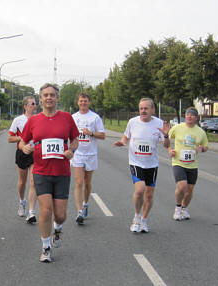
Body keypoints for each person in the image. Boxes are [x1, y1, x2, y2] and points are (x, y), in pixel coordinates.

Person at [19, 83, 79, 263]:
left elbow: (75, 140)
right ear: (41, 99)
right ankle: (46, 246)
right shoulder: (34, 120)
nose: (49, 98)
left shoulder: (67, 118)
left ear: (57, 98)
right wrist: (25, 148)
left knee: (60, 214)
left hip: (61, 172)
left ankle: (58, 228)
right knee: (46, 209)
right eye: (45, 95)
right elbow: (22, 142)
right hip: (41, 171)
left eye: (52, 95)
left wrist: (72, 151)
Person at [113, 98, 170, 233]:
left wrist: (166, 136)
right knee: (140, 190)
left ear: (152, 110)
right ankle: (136, 217)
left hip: (151, 163)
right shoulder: (133, 122)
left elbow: (166, 145)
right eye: (141, 109)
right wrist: (122, 142)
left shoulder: (159, 123)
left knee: (149, 195)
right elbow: (126, 136)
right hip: (136, 162)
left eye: (146, 108)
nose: (143, 111)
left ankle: (144, 220)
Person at [167, 107, 208, 221]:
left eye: (192, 115)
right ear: (185, 117)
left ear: (196, 118)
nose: (189, 116)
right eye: (187, 115)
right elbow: (166, 140)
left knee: (189, 190)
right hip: (178, 163)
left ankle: (184, 209)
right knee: (182, 186)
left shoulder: (201, 132)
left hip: (193, 165)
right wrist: (170, 149)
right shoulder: (177, 128)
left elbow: (206, 146)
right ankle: (178, 208)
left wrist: (202, 149)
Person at [71, 93, 106, 225]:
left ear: (89, 102)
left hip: (91, 154)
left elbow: (102, 135)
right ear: (78, 102)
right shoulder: (73, 117)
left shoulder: (95, 117)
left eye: (85, 101)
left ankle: (86, 203)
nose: (83, 103)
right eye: (81, 101)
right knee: (79, 182)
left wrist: (91, 133)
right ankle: (79, 212)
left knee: (87, 182)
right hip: (78, 154)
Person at [8, 95, 38, 223]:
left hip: (35, 153)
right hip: (22, 152)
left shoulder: (39, 119)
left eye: (35, 103)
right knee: (22, 182)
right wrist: (23, 138)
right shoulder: (18, 120)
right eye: (32, 104)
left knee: (33, 182)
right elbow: (10, 138)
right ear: (25, 106)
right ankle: (22, 201)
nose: (35, 106)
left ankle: (31, 212)